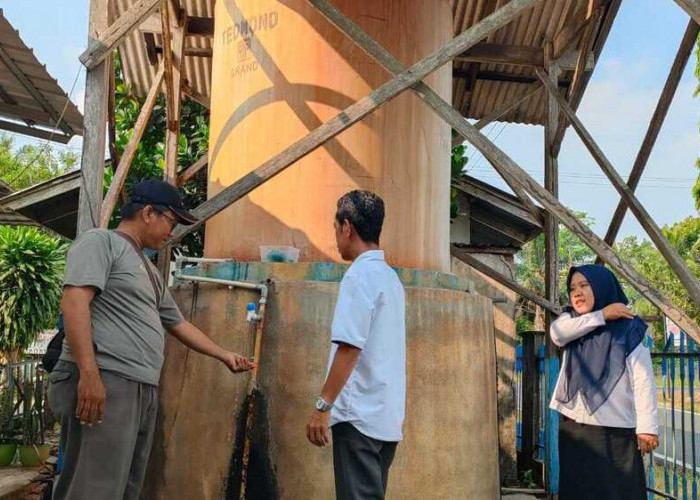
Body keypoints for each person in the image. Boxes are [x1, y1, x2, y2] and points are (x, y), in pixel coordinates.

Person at [48, 179, 254, 500]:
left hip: (140, 387)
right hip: (107, 378)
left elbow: (178, 324)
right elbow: (75, 301)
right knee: (93, 487)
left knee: (126, 486)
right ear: (147, 213)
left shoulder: (149, 270)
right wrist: (89, 374)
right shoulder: (101, 242)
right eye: (170, 221)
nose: (171, 231)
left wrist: (223, 354)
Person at [306, 190, 406, 500]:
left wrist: (323, 407)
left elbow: (349, 347)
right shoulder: (391, 279)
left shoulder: (359, 276)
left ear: (346, 227)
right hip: (385, 417)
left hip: (358, 415)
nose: (336, 238)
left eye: (335, 228)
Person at [550, 264, 659, 500]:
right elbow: (557, 334)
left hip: (615, 428)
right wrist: (602, 315)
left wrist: (647, 427)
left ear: (602, 286)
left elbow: (643, 380)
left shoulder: (629, 328)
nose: (577, 293)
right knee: (578, 490)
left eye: (584, 285)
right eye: (572, 288)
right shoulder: (572, 320)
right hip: (574, 425)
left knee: (616, 492)